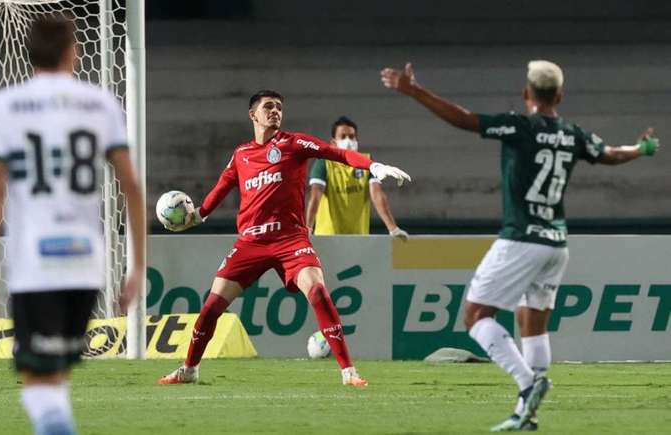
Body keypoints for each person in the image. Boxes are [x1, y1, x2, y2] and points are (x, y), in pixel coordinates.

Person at [380, 60, 659, 431]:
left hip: (521, 239)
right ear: (559, 95)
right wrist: (642, 147)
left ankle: (529, 386)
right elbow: (609, 154)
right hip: (556, 244)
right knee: (532, 324)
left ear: (526, 93)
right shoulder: (572, 133)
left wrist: (415, 91)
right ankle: (528, 414)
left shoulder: (518, 125)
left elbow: (464, 119)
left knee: (476, 317)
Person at [158, 90, 410, 387]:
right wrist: (198, 215)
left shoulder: (294, 143)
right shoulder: (241, 155)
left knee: (317, 292)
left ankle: (349, 372)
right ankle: (189, 369)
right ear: (253, 115)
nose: (275, 111)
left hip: (291, 239)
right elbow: (222, 187)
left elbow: (338, 154)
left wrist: (373, 166)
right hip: (250, 242)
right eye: (268, 107)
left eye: (279, 107)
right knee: (211, 307)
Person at [0, 15, 146, 435]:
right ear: (74, 51)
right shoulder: (100, 103)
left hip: (35, 266)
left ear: (28, 52)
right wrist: (136, 267)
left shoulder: (6, 105)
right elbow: (132, 188)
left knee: (40, 382)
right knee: (56, 381)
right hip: (85, 264)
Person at [306, 116, 409, 239]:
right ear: (333, 143)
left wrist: (393, 228)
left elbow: (377, 195)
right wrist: (307, 228)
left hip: (358, 238)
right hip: (327, 236)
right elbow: (315, 196)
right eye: (343, 137)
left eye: (351, 136)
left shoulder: (367, 162)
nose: (348, 141)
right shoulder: (324, 163)